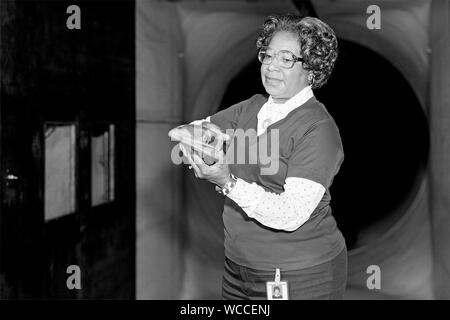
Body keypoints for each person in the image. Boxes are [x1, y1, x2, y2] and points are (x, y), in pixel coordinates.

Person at [177, 14, 347, 300]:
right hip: (237, 268)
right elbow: (189, 133)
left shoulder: (318, 129)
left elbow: (291, 214)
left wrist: (227, 182)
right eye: (267, 55)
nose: (271, 67)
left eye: (286, 59)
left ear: (312, 70)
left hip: (300, 274)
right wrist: (199, 143)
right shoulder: (250, 108)